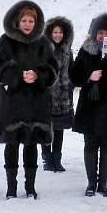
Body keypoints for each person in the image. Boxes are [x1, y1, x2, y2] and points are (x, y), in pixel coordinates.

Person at [0, 1, 58, 199]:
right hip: (12, 101)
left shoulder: (44, 42)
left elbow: (53, 69)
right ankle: (11, 188)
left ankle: (30, 187)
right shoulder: (6, 41)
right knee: (12, 143)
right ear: (17, 21)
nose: (28, 24)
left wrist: (38, 75)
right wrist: (17, 76)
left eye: (31, 20)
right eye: (24, 20)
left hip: (36, 101)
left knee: (31, 144)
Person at [70, 14, 107, 197]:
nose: (104, 36)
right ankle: (91, 183)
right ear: (94, 33)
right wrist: (89, 77)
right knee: (90, 145)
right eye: (100, 32)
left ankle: (102, 184)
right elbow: (75, 76)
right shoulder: (86, 49)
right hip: (90, 104)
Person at [43, 17, 75, 172]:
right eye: (55, 32)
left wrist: (70, 86)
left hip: (63, 96)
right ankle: (47, 159)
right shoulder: (43, 50)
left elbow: (73, 71)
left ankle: (57, 159)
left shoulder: (68, 51)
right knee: (47, 128)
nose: (58, 35)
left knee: (59, 129)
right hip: (47, 96)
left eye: (60, 32)